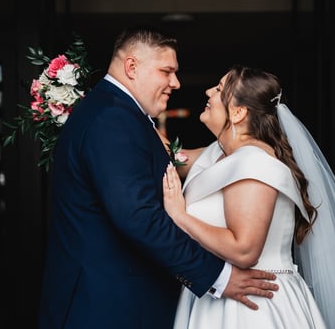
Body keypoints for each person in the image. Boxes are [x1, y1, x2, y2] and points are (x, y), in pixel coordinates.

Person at [38, 29, 280, 329]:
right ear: (131, 67)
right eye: (167, 71)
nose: (176, 83)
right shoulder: (112, 120)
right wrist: (217, 276)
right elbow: (138, 216)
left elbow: (191, 158)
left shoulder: (121, 115)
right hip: (105, 306)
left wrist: (253, 147)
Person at [162, 65, 335, 328]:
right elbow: (168, 154)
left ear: (238, 112)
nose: (208, 92)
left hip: (253, 304)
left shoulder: (255, 164)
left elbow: (245, 250)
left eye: (219, 89)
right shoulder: (217, 154)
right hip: (217, 296)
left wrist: (179, 216)